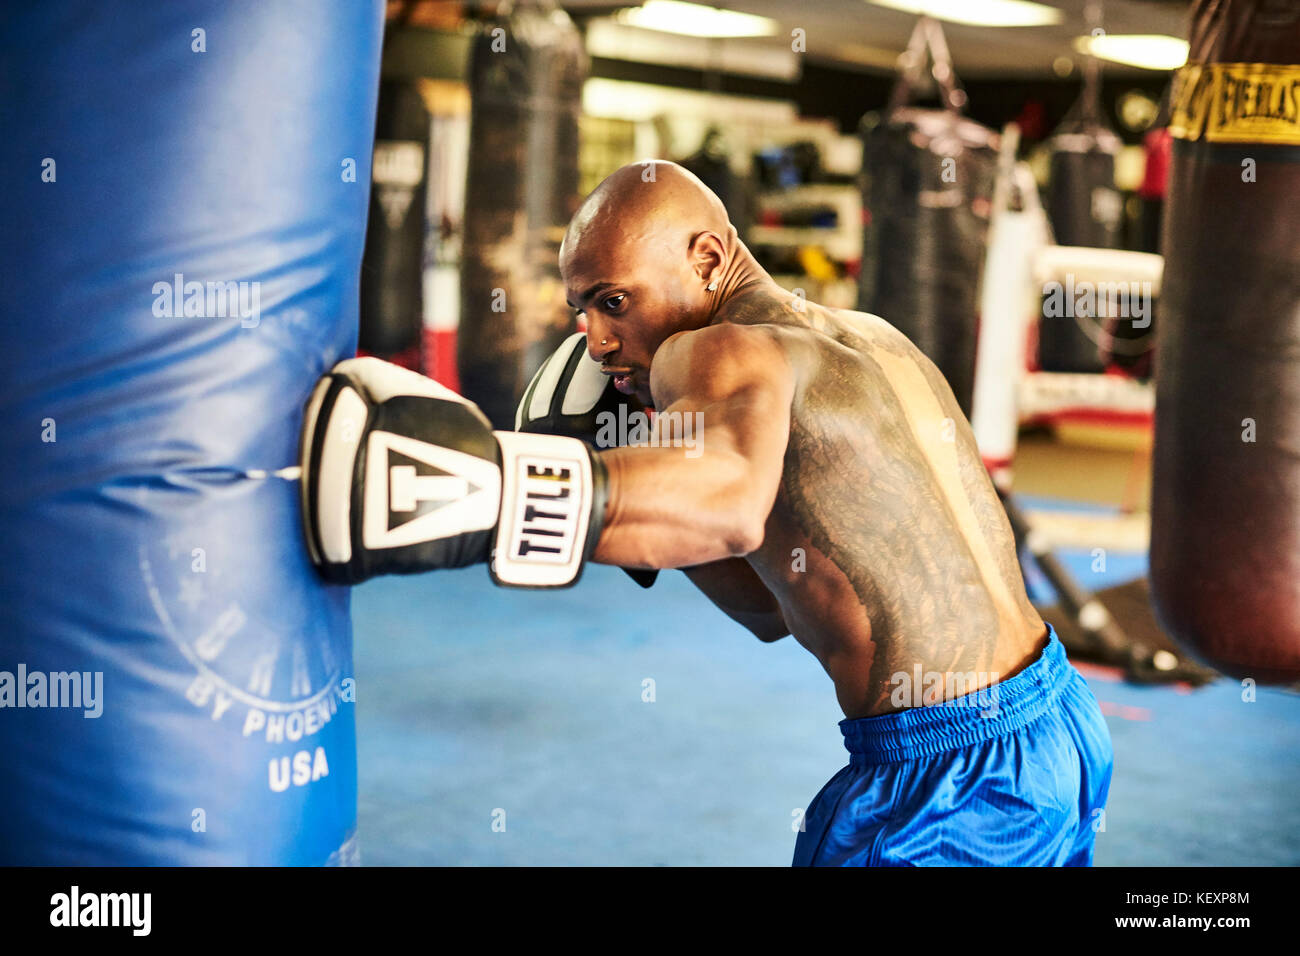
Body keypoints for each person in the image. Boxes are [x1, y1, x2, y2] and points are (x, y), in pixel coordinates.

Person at [301, 160, 1113, 866]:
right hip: (1060, 725)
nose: (594, 340)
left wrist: (504, 488)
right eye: (581, 309)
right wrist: (657, 477)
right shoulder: (870, 336)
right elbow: (770, 603)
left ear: (709, 258)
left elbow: (723, 501)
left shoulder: (716, 347)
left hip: (945, 785)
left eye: (615, 301)